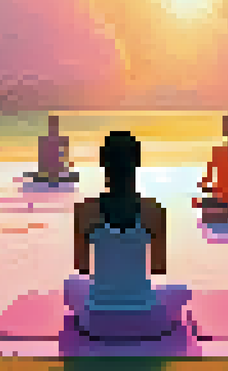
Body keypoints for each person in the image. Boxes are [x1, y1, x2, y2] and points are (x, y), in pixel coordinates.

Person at [66, 130, 187, 341]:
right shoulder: (154, 210)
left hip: (96, 324)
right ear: (137, 163)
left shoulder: (85, 211)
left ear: (103, 163)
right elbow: (158, 268)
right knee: (179, 288)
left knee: (72, 282)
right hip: (147, 322)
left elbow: (82, 268)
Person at [28, 113, 78, 184]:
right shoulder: (43, 140)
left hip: (58, 171)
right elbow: (41, 159)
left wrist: (65, 171)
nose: (53, 128)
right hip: (47, 172)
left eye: (54, 125)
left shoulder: (62, 140)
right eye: (52, 126)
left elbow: (65, 158)